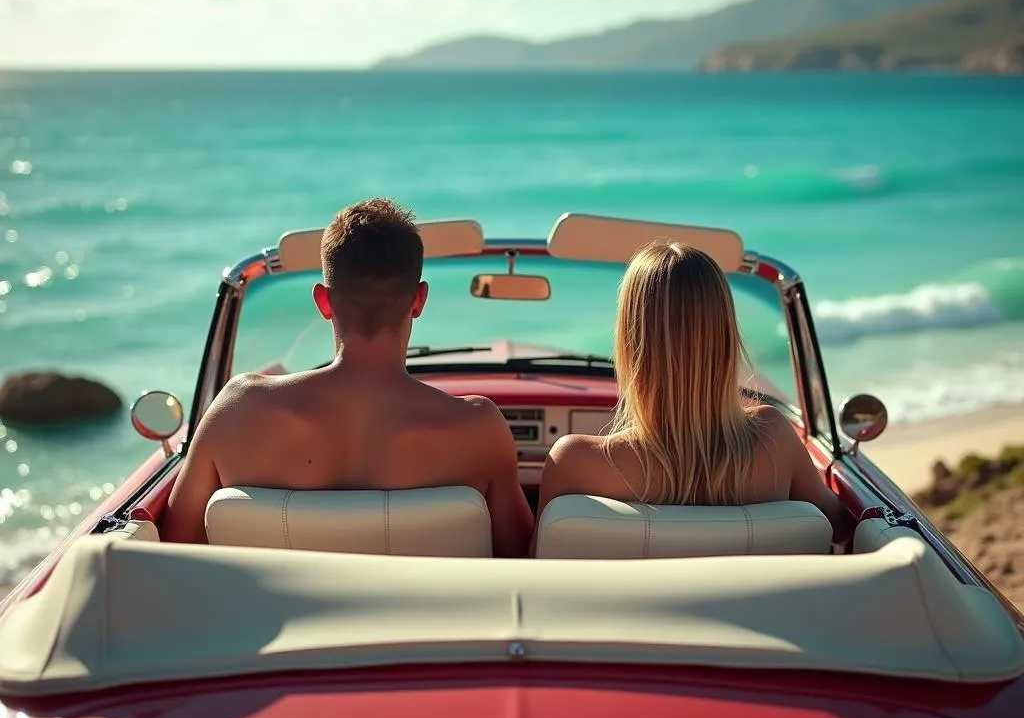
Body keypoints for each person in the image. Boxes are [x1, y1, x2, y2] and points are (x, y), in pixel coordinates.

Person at [162, 198, 534, 557]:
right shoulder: (477, 429)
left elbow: (173, 549)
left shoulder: (236, 412)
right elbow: (524, 563)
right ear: (418, 300)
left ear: (323, 302)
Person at [534, 242, 850, 544]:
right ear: (725, 339)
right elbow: (839, 526)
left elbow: (535, 563)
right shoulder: (775, 440)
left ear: (631, 343)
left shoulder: (576, 463)